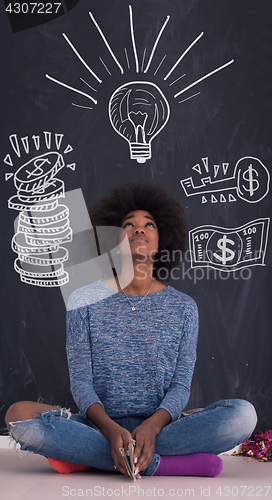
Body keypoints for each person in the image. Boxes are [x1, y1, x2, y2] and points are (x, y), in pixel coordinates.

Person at [5, 182, 257, 478]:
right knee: (16, 416)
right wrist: (111, 430)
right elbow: (82, 382)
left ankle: (93, 457)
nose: (139, 230)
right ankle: (161, 463)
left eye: (149, 225)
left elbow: (180, 387)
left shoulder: (183, 307)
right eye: (128, 225)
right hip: (100, 426)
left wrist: (152, 426)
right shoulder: (83, 301)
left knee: (242, 416)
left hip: (162, 427)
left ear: (162, 240)